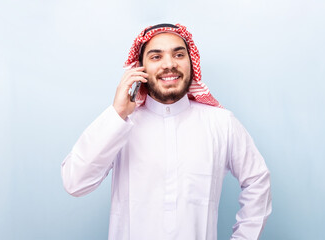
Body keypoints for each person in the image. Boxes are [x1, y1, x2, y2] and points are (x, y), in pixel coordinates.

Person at [61, 23, 272, 240]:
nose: (169, 64)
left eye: (179, 54)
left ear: (191, 63)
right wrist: (117, 113)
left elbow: (257, 179)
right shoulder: (120, 124)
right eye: (156, 57)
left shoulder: (221, 123)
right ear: (139, 68)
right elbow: (74, 182)